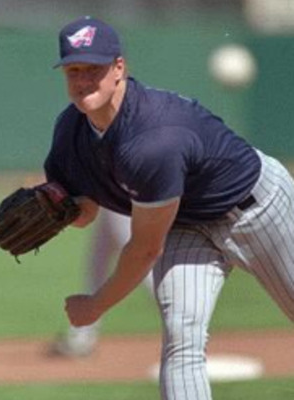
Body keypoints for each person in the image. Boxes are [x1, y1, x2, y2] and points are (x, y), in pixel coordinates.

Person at [43, 15, 294, 400]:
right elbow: (86, 212)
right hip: (187, 225)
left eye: (94, 68)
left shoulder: (152, 138)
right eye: (73, 70)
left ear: (119, 68)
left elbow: (145, 248)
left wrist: (96, 305)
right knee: (181, 338)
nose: (82, 80)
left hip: (259, 209)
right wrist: (57, 209)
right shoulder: (70, 134)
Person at [50, 209, 154, 357]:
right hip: (110, 202)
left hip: (123, 201)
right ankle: (83, 334)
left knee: (141, 262)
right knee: (97, 263)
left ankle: (184, 327)